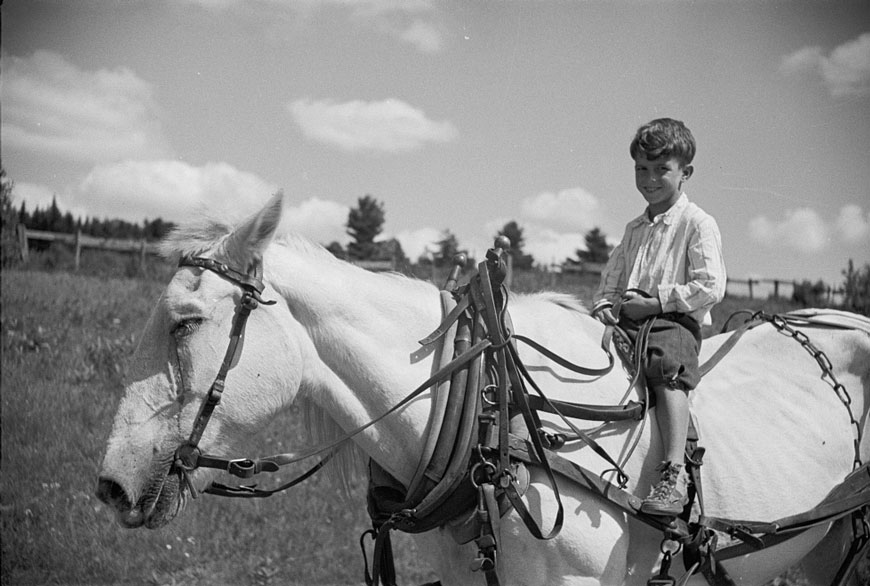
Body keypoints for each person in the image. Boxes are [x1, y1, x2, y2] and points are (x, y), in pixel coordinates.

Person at [591, 118, 726, 516]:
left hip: (672, 323)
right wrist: (606, 309)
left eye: (660, 169)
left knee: (665, 364)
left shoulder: (697, 224)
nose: (649, 179)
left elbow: (710, 285)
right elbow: (609, 283)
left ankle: (674, 472)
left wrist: (655, 304)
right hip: (629, 322)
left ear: (685, 173)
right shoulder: (634, 229)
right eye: (641, 169)